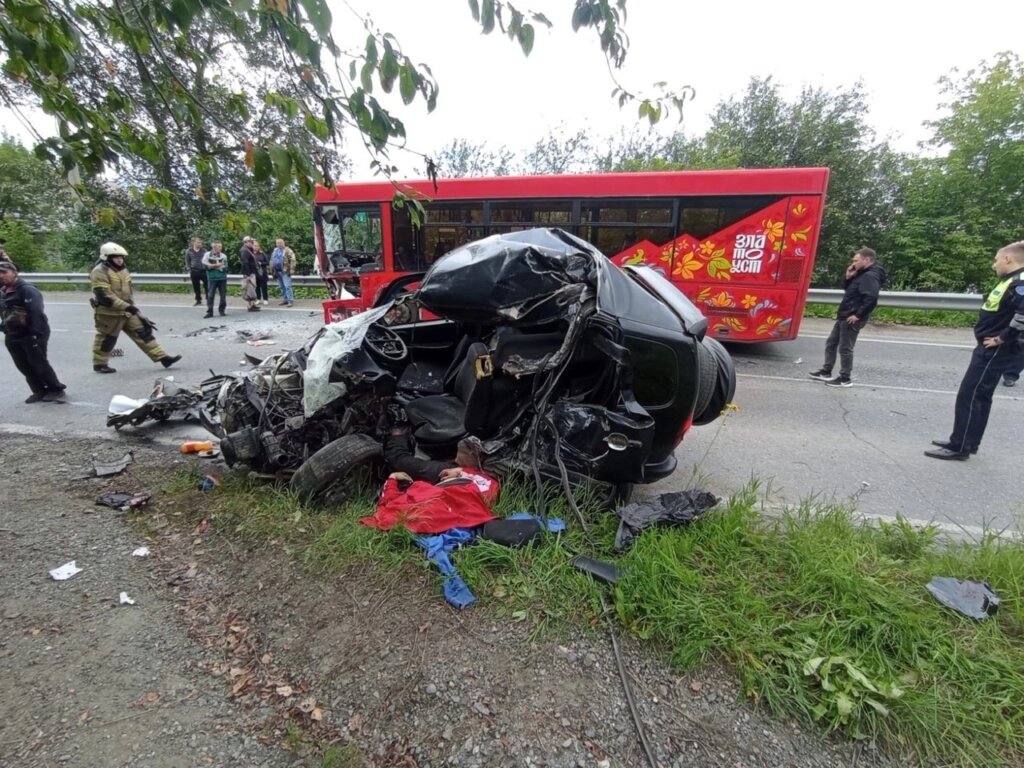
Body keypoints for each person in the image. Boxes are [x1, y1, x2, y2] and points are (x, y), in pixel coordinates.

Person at [925, 241, 1024, 460]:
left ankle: (959, 447)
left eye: (996, 259)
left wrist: (1001, 338)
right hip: (989, 347)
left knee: (972, 395)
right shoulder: (1011, 280)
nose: (994, 264)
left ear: (1008, 259)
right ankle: (965, 442)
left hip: (996, 349)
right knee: (976, 395)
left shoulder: (1020, 282)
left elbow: (1023, 314)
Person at [89, 241, 181, 374]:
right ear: (106, 257)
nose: (120, 260)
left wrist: (132, 308)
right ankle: (99, 364)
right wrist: (129, 307)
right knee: (106, 339)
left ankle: (163, 357)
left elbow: (127, 291)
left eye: (121, 257)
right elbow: (105, 297)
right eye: (116, 257)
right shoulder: (99, 272)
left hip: (127, 311)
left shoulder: (123, 270)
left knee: (144, 333)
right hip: (109, 313)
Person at [808, 247, 887, 387]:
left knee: (845, 348)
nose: (853, 263)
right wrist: (848, 276)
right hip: (845, 314)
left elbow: (871, 298)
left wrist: (858, 315)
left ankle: (845, 378)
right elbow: (850, 291)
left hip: (852, 316)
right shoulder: (862, 273)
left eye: (856, 260)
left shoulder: (870, 276)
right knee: (831, 342)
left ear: (867, 260)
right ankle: (826, 371)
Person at [0, 261, 67, 403]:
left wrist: (34, 333)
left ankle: (56, 389)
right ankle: (39, 390)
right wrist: (4, 329)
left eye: (4, 272)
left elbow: (36, 312)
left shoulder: (27, 289)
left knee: (38, 363)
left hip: (31, 333)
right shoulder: (3, 291)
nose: (1, 276)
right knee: (22, 365)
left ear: (14, 273)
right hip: (12, 334)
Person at [202, 241, 228, 318]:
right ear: (214, 247)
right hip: (212, 278)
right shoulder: (207, 255)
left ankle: (222, 310)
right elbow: (204, 266)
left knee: (223, 295)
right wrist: (213, 266)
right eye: (219, 246)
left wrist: (220, 267)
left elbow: (226, 267)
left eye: (221, 246)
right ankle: (210, 311)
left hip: (222, 278)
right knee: (210, 295)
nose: (221, 248)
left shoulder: (223, 256)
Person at [184, 236, 208, 306]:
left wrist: (207, 268)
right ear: (193, 243)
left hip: (203, 270)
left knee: (207, 286)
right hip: (194, 271)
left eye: (200, 242)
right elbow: (187, 261)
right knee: (196, 286)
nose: (200, 244)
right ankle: (198, 300)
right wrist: (189, 269)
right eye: (198, 242)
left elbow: (207, 259)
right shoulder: (189, 251)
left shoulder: (204, 250)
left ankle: (208, 299)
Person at [238, 236, 260, 312]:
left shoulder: (248, 250)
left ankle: (253, 304)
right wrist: (247, 274)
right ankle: (250, 306)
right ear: (246, 242)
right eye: (250, 242)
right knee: (249, 290)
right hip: (249, 273)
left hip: (251, 272)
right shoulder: (244, 250)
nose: (252, 243)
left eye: (252, 242)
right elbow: (245, 263)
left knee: (252, 289)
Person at [272, 237, 296, 306]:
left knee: (287, 286)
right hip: (277, 271)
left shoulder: (288, 250)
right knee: (281, 286)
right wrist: (272, 270)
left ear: (283, 243)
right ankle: (285, 299)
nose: (279, 244)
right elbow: (272, 260)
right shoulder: (275, 250)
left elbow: (293, 260)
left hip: (285, 271)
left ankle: (290, 300)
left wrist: (291, 270)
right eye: (277, 243)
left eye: (280, 243)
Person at [253, 240, 270, 305]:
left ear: (259, 247)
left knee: (264, 286)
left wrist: (261, 263)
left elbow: (267, 262)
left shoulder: (262, 253)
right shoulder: (251, 253)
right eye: (255, 246)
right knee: (256, 286)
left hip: (262, 272)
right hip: (255, 272)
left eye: (257, 246)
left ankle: (265, 299)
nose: (256, 247)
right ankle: (258, 298)